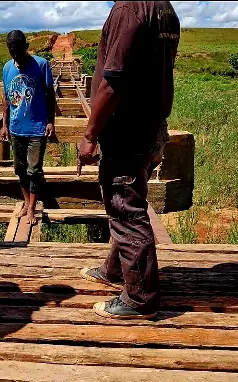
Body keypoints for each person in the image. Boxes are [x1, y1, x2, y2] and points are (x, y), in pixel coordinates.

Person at [77, 1, 180, 320]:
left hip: (127, 128)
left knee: (124, 207)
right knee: (128, 200)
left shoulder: (127, 10)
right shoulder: (164, 8)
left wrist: (91, 134)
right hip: (150, 123)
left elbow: (113, 80)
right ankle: (115, 270)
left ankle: (140, 298)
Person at [0, 30, 56, 225]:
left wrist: (50, 121)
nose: (15, 55)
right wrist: (4, 125)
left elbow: (51, 95)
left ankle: (32, 208)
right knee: (19, 168)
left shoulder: (41, 65)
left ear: (26, 46)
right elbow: (6, 99)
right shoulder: (7, 68)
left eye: (18, 50)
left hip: (37, 128)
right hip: (16, 128)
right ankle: (25, 202)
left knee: (34, 170)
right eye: (11, 51)